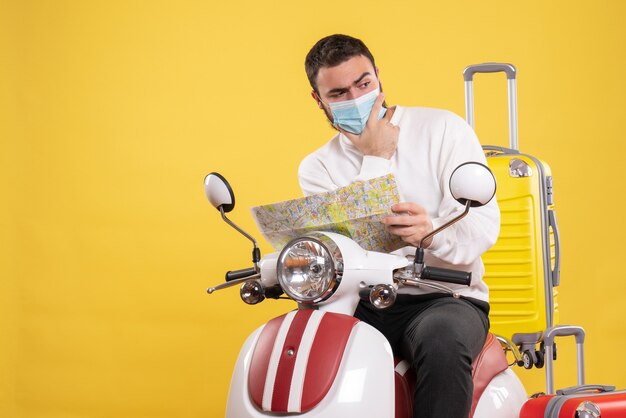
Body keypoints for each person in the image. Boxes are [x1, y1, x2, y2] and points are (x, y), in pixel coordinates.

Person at [299, 34, 500, 418]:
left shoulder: (443, 129)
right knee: (308, 344)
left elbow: (482, 229)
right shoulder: (317, 168)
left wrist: (432, 231)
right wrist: (377, 156)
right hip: (362, 301)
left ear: (378, 76)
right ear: (318, 99)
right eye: (339, 93)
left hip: (445, 296)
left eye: (363, 83)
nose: (356, 98)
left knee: (442, 340)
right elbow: (342, 248)